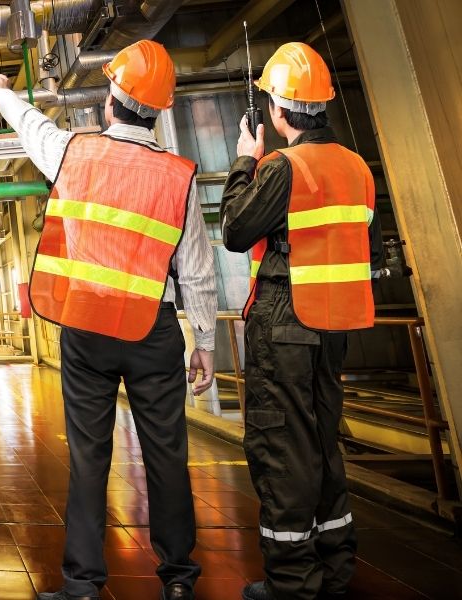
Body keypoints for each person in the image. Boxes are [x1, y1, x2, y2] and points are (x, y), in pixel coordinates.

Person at [0, 39, 217, 600]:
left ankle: (83, 585)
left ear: (111, 98)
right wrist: (203, 341)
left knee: (90, 458)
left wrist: (2, 94)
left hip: (87, 328)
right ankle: (180, 580)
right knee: (166, 455)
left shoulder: (75, 152)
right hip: (153, 331)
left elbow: (31, 126)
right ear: (160, 109)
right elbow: (198, 268)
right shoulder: (178, 176)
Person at [219, 42, 383, 600]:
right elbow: (374, 253)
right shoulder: (358, 169)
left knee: (282, 449)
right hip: (334, 326)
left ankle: (292, 584)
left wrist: (245, 159)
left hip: (285, 321)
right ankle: (335, 570)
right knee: (322, 443)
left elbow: (236, 230)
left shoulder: (285, 168)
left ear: (278, 112)